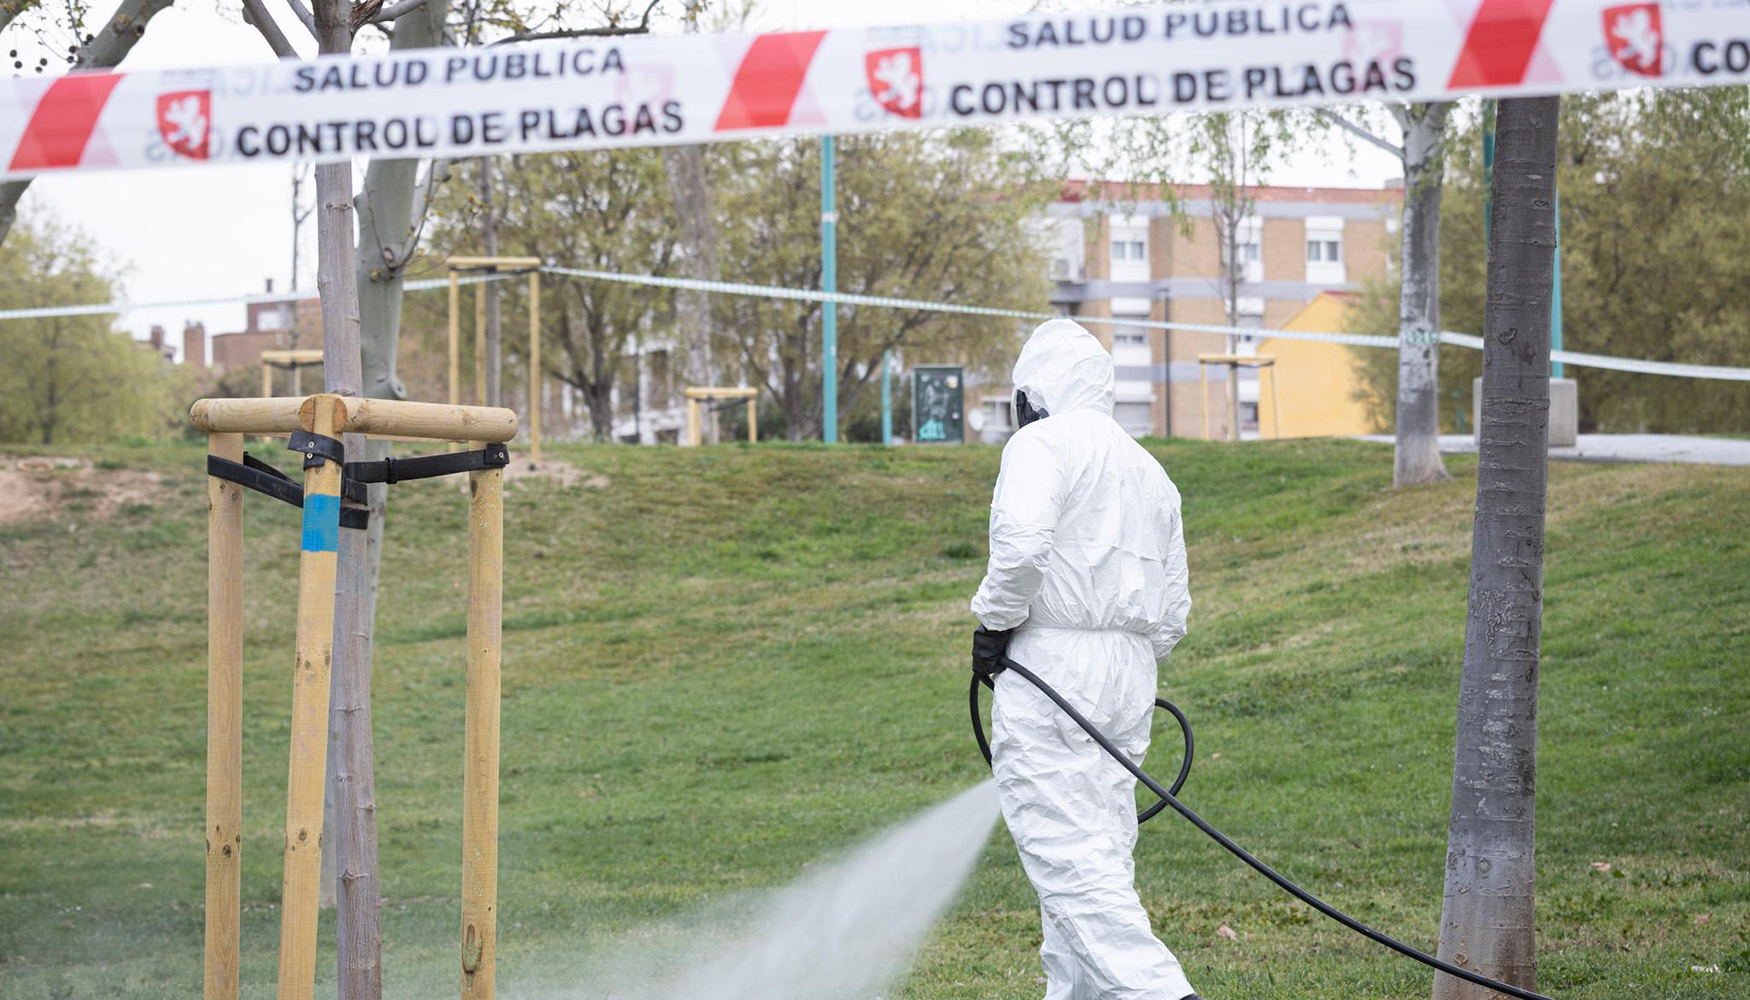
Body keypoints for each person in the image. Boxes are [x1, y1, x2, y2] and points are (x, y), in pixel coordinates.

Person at [971, 318, 1199, 1000]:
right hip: (1131, 675)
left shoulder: (1042, 444)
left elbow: (1020, 548)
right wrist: (1127, 660)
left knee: (1067, 859)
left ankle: (1163, 993)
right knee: (1098, 855)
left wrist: (993, 624)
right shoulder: (1148, 468)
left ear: (1034, 392)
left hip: (1052, 669)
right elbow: (1175, 607)